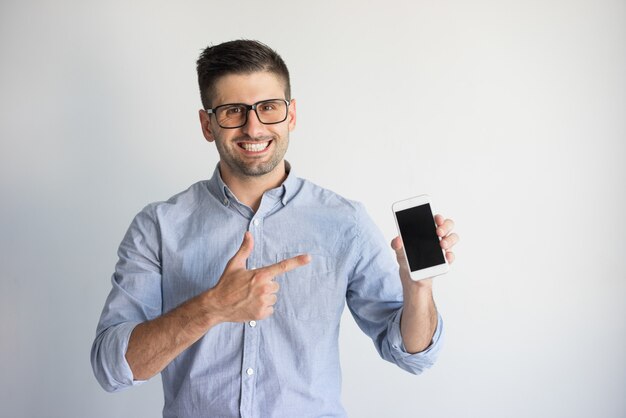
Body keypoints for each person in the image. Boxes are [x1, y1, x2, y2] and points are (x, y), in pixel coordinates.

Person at [91, 39, 459, 418]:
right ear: (207, 124)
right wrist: (210, 308)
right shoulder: (158, 227)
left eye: (268, 107)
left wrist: (418, 291)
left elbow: (413, 356)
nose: (254, 127)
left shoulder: (344, 221)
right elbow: (111, 368)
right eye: (234, 110)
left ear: (291, 115)